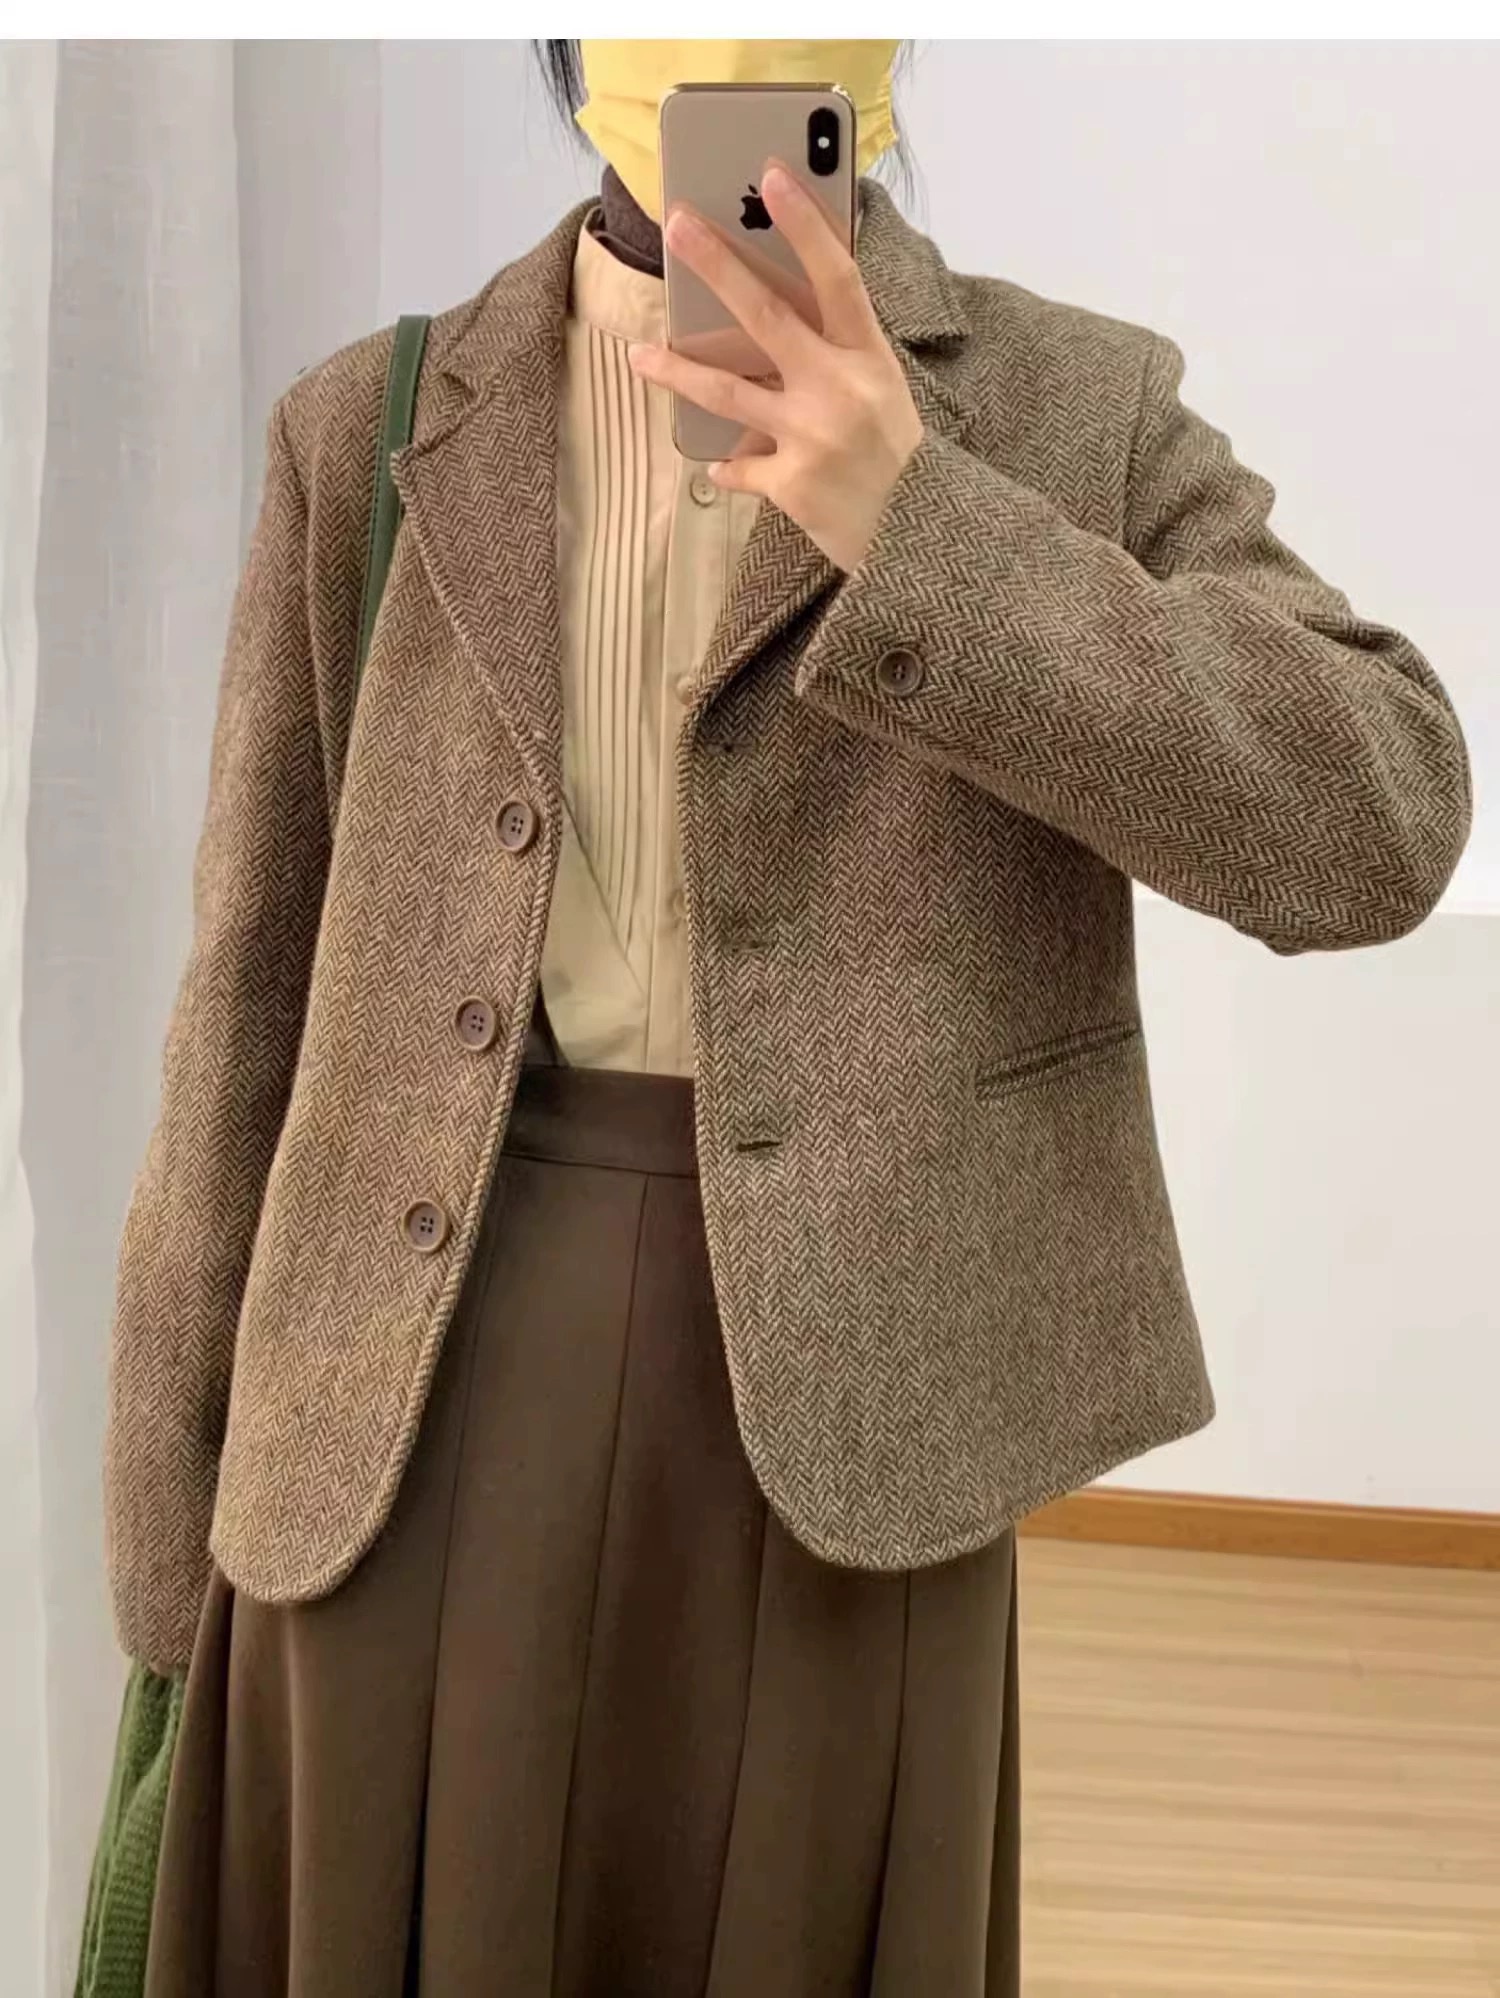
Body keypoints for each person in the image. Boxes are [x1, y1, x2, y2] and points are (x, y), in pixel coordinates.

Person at [80, 37, 1471, 1998]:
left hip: (847, 1432)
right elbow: (246, 1010)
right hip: (396, 1410)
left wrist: (924, 525)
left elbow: (1377, 818)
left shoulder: (1070, 411)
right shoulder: (366, 423)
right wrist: (167, 1573)